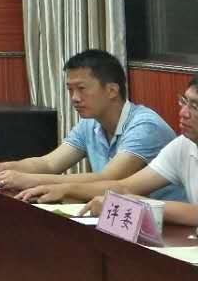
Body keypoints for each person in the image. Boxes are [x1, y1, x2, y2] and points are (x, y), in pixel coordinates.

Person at [0, 49, 182, 201]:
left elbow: (109, 178)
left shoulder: (145, 126)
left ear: (112, 90)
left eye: (82, 89)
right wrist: (6, 167)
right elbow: (49, 163)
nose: (74, 98)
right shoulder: (89, 124)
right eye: (70, 90)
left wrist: (29, 180)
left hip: (171, 223)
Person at [18, 75, 198, 223]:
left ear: (112, 90)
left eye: (195, 106)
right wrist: (65, 189)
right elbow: (124, 186)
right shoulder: (182, 145)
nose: (183, 113)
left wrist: (139, 205)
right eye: (184, 102)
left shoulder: (147, 126)